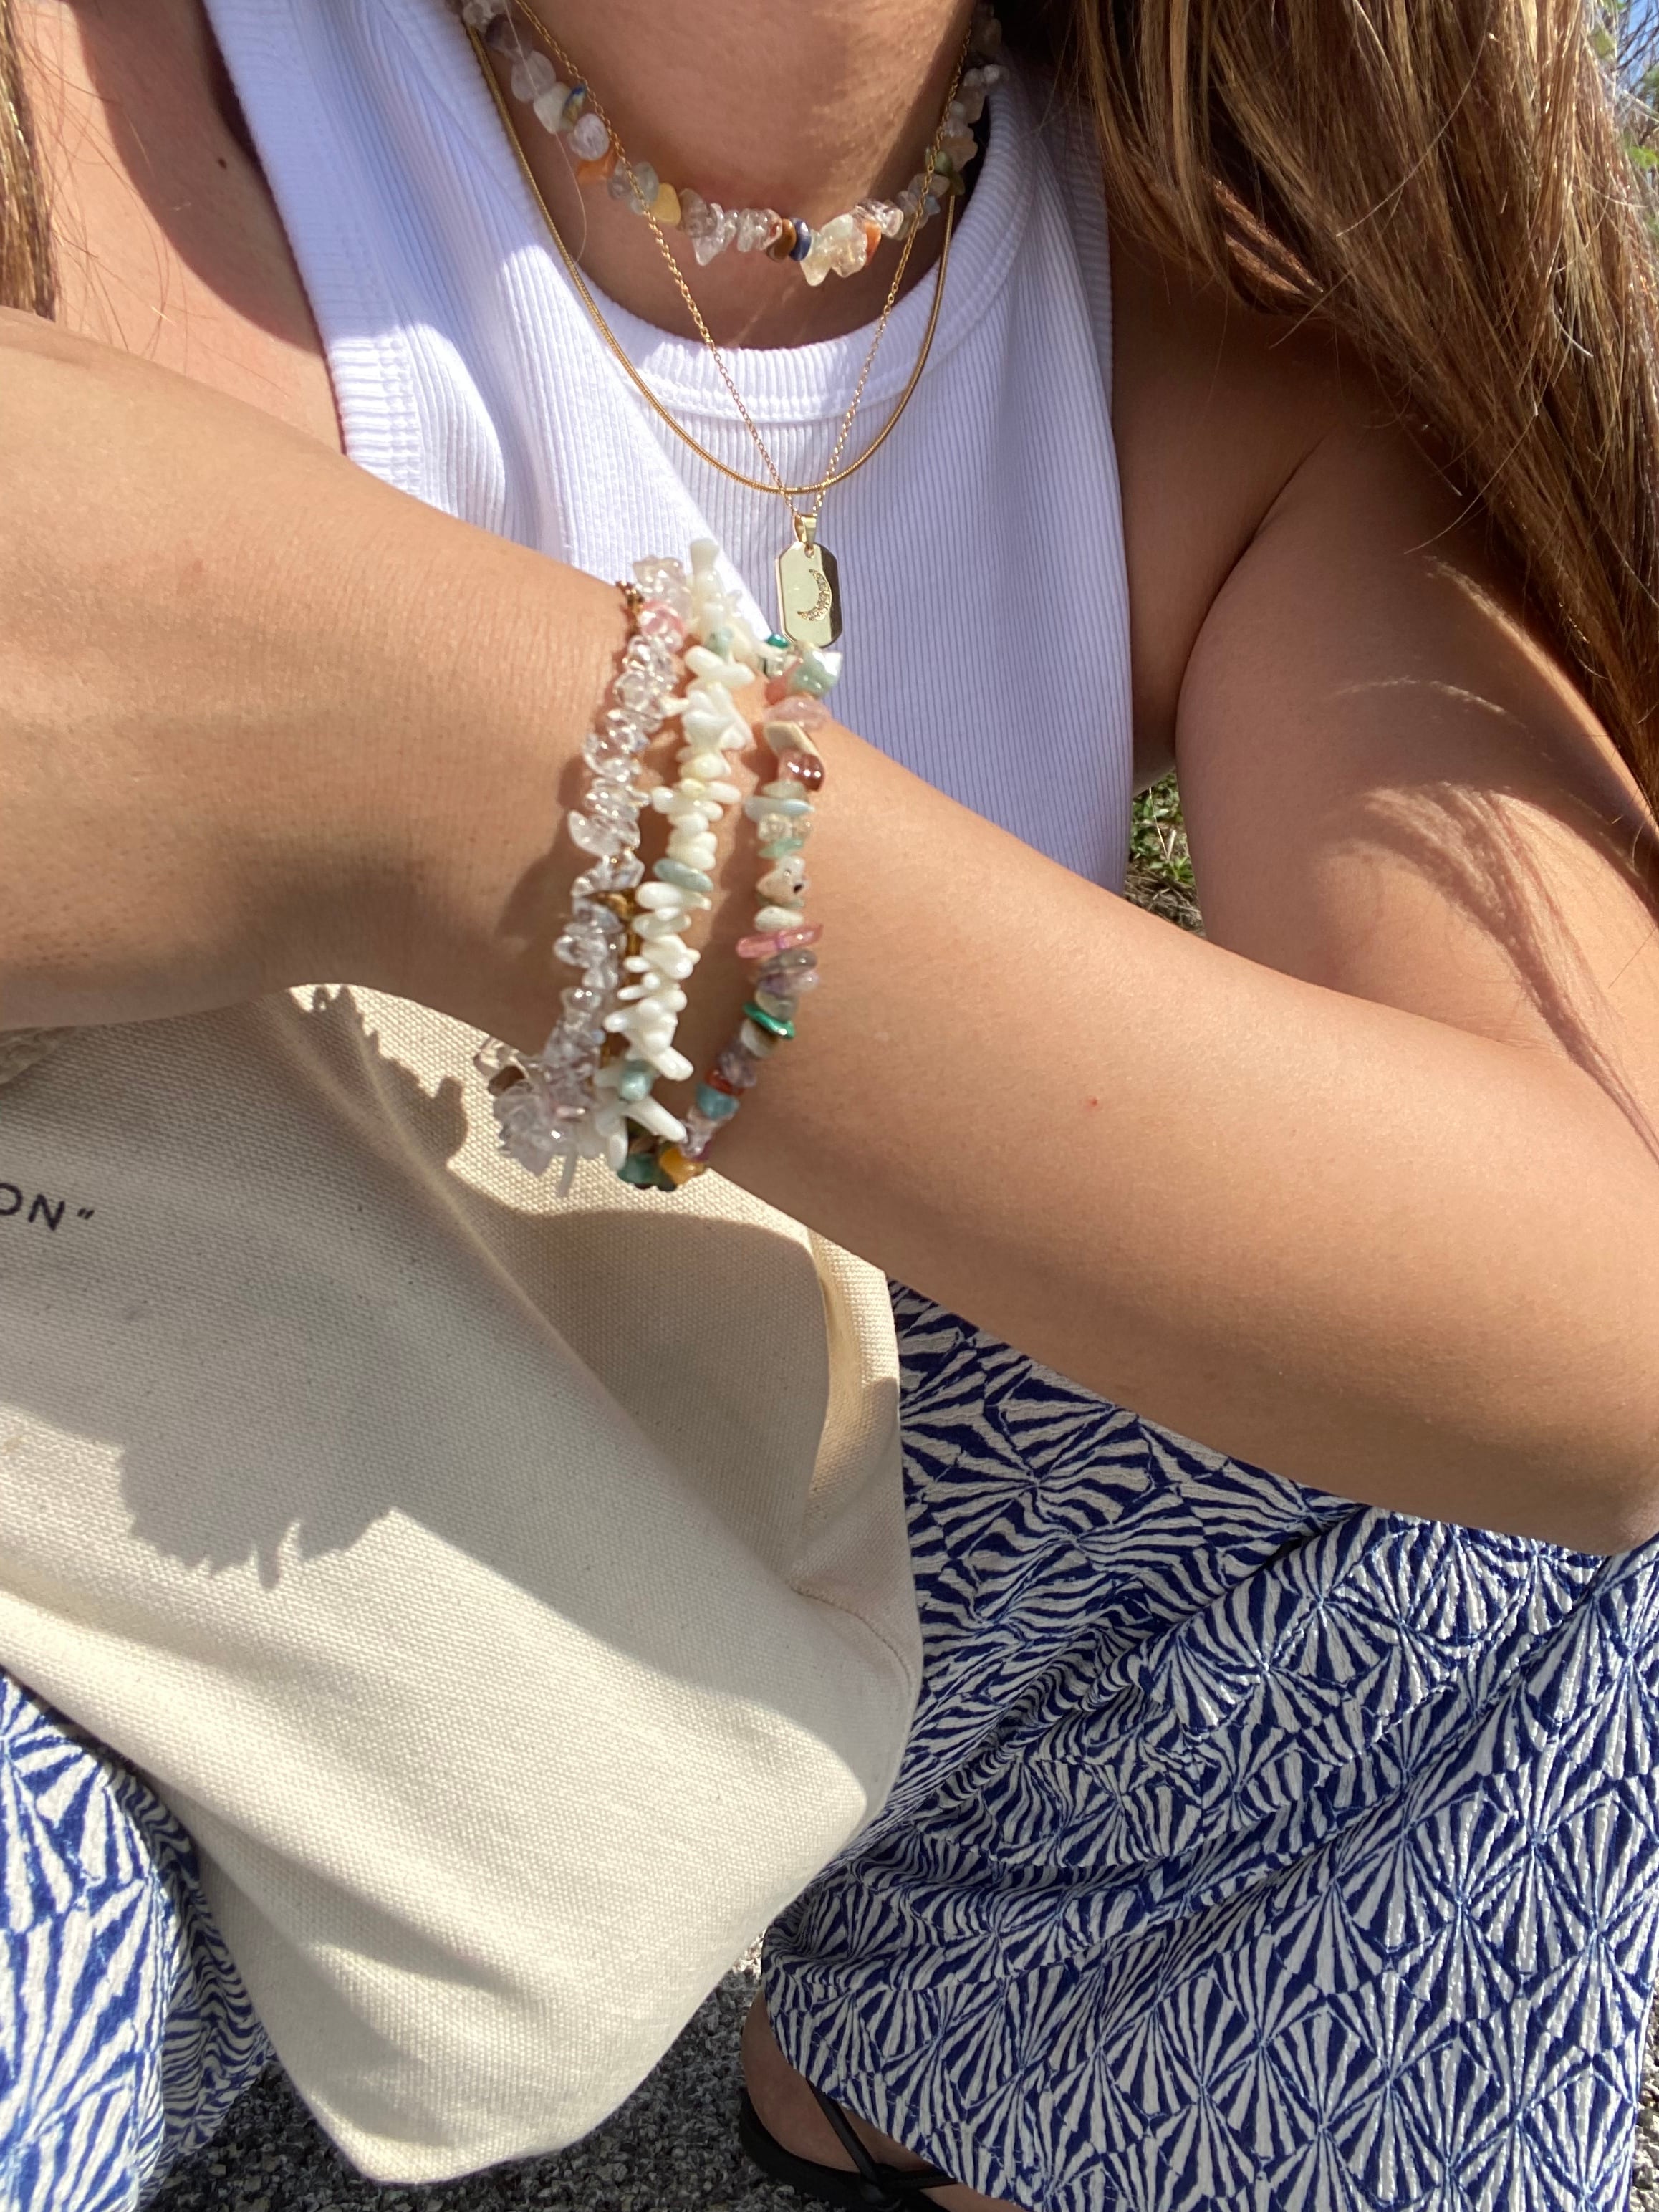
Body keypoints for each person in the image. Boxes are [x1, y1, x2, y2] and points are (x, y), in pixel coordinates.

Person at [3, 0, 1659, 2206]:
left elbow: (1599, 1316)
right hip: (86, 1561)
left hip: (662, 1526)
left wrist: (491, 773)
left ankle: (967, 2077)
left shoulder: (1233, 321)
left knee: (1415, 1432)